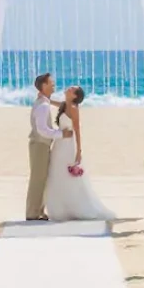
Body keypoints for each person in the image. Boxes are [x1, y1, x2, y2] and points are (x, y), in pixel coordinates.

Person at [45, 86, 116, 222]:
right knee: (56, 172)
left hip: (68, 145)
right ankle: (61, 208)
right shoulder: (64, 105)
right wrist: (44, 97)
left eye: (72, 89)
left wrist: (79, 151)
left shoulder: (73, 108)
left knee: (68, 175)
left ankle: (74, 206)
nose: (68, 88)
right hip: (59, 144)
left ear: (75, 96)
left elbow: (77, 130)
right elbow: (51, 102)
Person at [25, 73, 64, 221]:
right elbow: (43, 130)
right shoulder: (43, 106)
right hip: (39, 144)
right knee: (37, 179)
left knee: (41, 178)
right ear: (44, 85)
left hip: (41, 145)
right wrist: (61, 134)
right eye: (51, 82)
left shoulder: (44, 102)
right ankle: (32, 213)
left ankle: (38, 211)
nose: (53, 84)